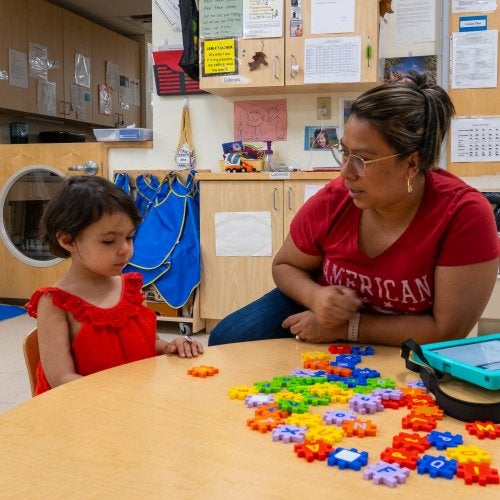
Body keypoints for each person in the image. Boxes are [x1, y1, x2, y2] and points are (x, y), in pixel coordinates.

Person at [209, 72, 499, 348]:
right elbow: (284, 265)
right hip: (320, 309)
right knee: (225, 339)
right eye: (344, 153)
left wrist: (348, 329)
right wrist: (316, 296)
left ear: (412, 164)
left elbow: (445, 331)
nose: (346, 173)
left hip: (404, 328)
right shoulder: (337, 197)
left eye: (362, 159)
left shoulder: (464, 214)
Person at [26, 176, 203, 395]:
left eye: (129, 237)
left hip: (132, 402)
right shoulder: (55, 303)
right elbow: (61, 379)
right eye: (109, 241)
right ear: (68, 240)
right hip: (82, 412)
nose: (124, 250)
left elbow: (146, 346)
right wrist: (115, 396)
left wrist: (171, 346)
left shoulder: (131, 288)